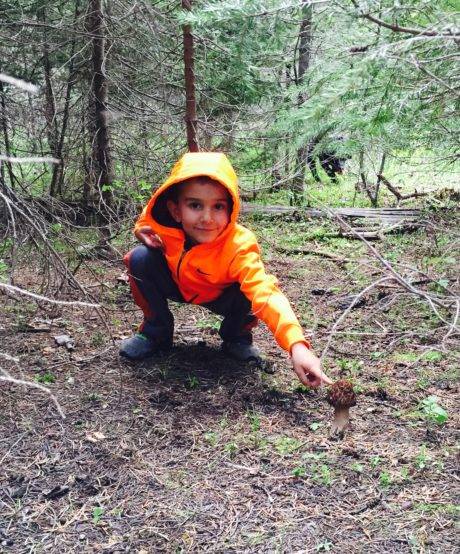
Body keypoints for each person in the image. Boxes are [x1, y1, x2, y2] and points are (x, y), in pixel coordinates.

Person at [120, 152, 332, 388]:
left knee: (250, 290)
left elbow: (266, 292)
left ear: (231, 209)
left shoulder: (239, 245)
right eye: (195, 205)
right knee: (139, 258)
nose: (207, 218)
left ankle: (237, 338)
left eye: (218, 206)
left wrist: (297, 345)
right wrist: (139, 229)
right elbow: (149, 218)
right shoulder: (166, 228)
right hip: (177, 285)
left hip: (222, 296)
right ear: (176, 210)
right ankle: (156, 332)